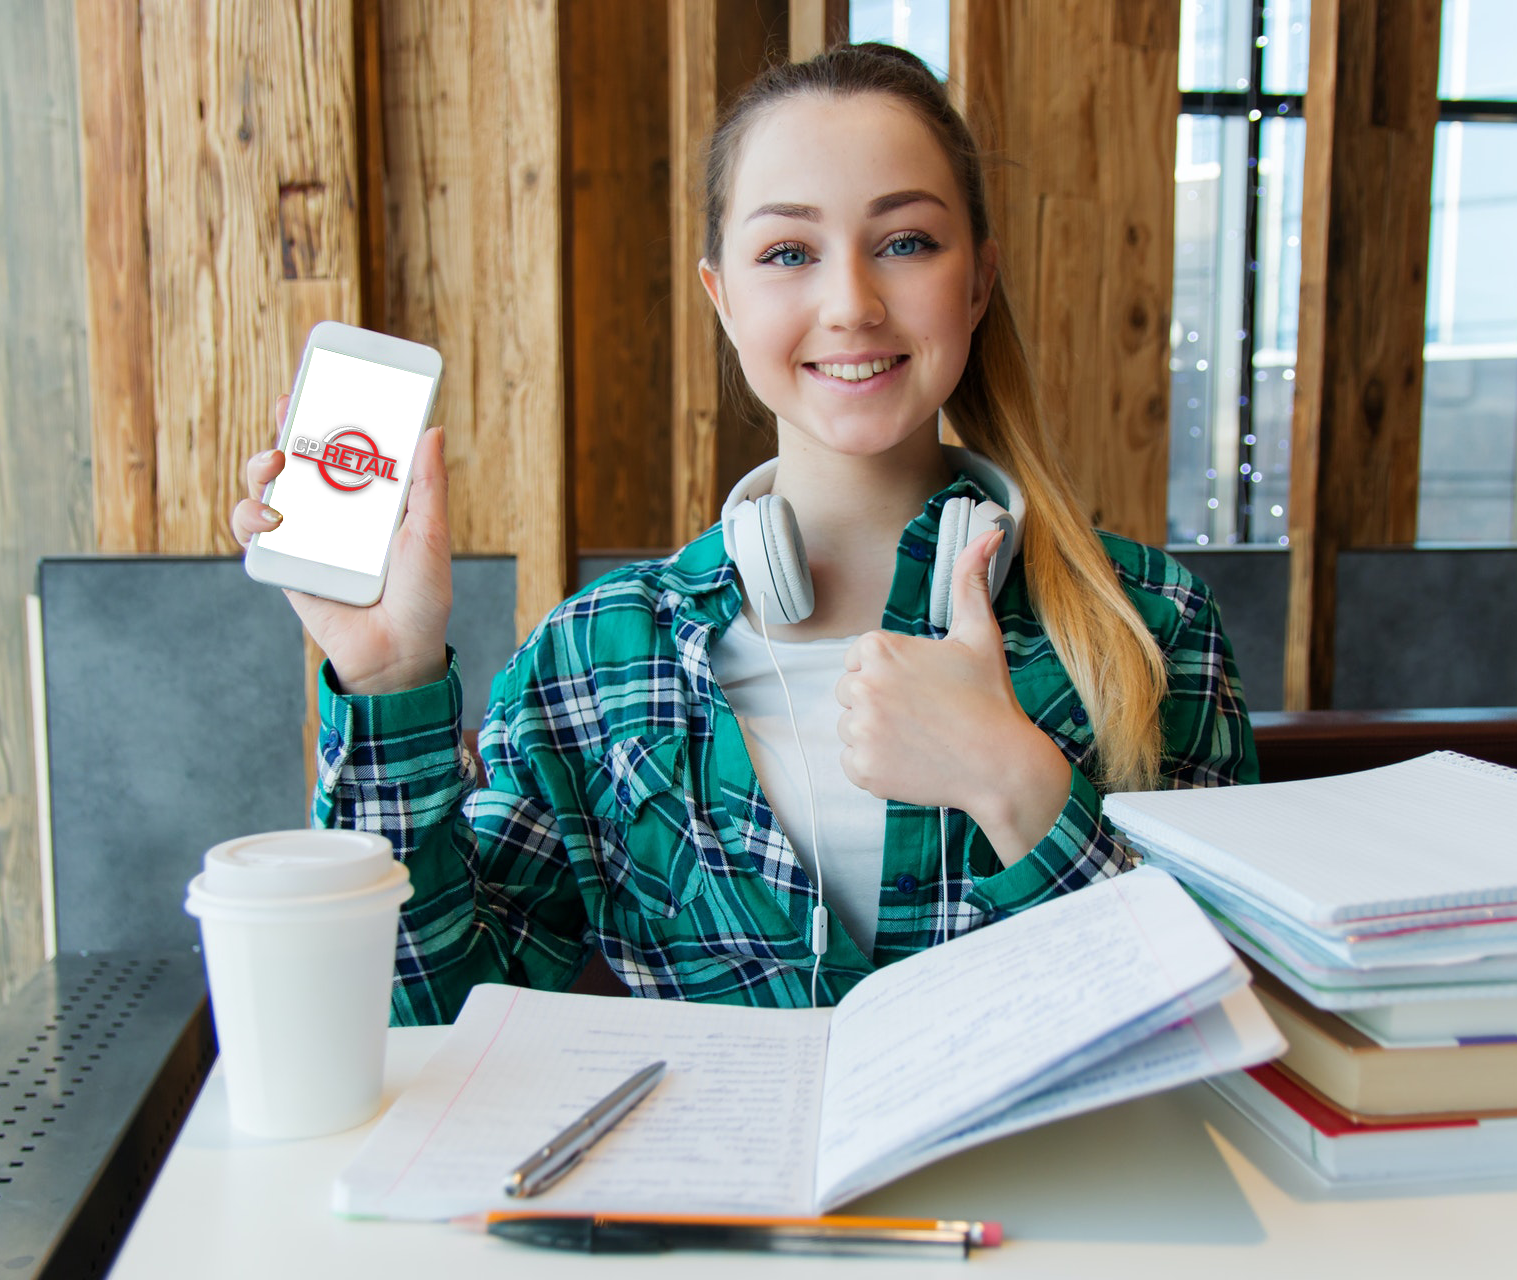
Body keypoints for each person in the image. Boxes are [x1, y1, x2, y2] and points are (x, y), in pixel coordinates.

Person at [230, 43, 1256, 1024]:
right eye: (788, 252)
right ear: (722, 297)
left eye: (905, 242)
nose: (851, 302)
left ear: (977, 281)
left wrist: (1013, 779)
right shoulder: (599, 659)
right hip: (720, 1208)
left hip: (1058, 1208)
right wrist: (388, 677)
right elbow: (419, 1013)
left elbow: (1229, 1031)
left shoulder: (1152, 624)